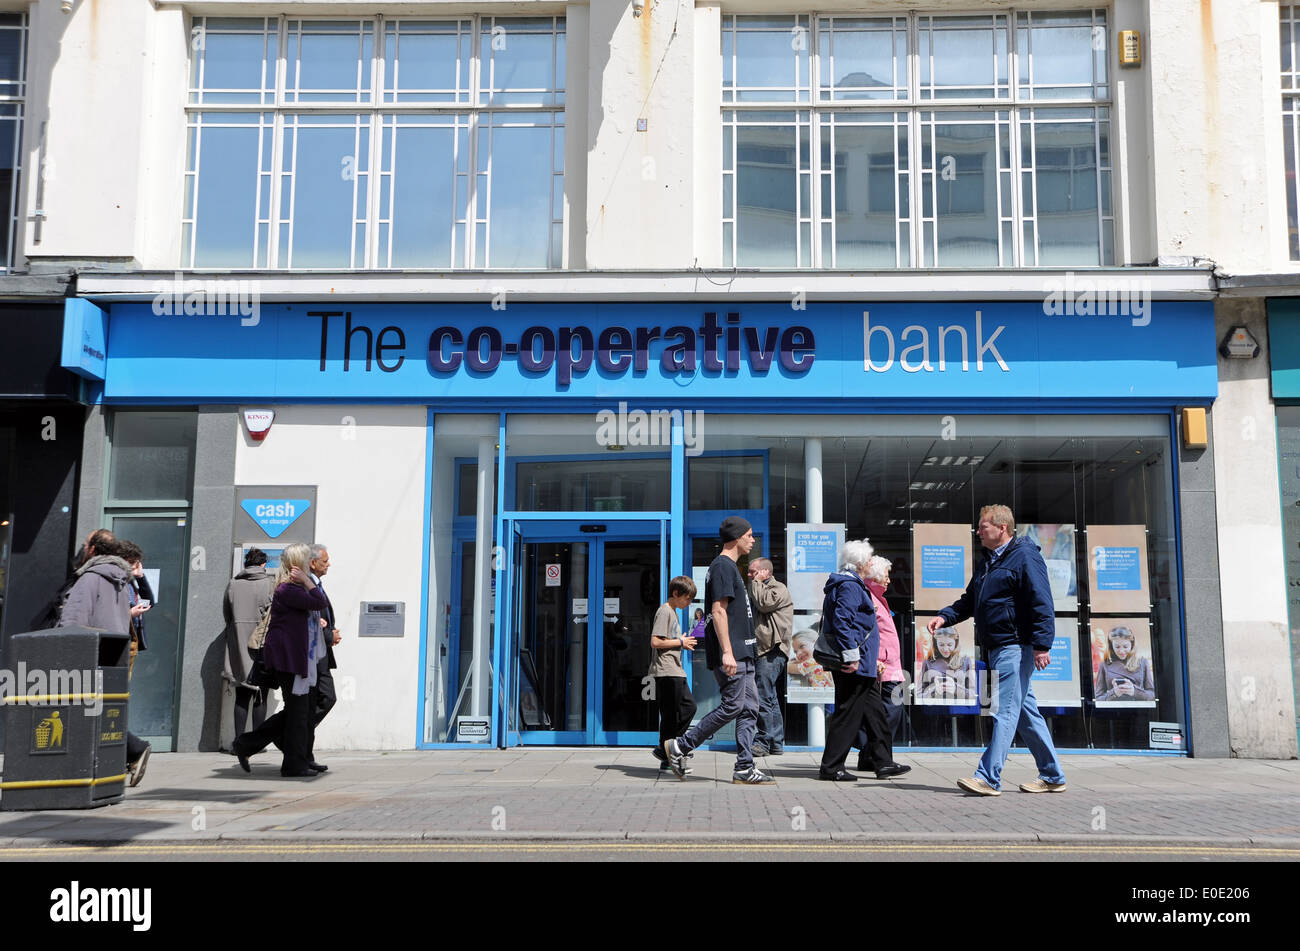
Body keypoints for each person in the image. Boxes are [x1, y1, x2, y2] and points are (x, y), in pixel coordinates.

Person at [930, 504, 1067, 796]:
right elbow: (970, 600)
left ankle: (988, 777)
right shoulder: (989, 561)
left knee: (1002, 711)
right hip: (996, 646)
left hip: (1015, 646)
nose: (978, 532)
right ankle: (1053, 775)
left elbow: (1041, 601)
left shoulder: (1025, 556)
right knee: (1026, 714)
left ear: (1002, 528)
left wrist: (1042, 645)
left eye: (983, 527)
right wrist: (945, 616)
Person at [663, 516, 774, 784]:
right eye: (748, 535)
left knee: (749, 708)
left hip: (744, 651)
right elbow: (718, 611)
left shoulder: (729, 567)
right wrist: (727, 652)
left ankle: (744, 767)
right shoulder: (723, 566)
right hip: (733, 653)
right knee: (734, 705)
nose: (752, 540)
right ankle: (681, 745)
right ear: (736, 537)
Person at [57, 536, 152, 787]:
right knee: (102, 708)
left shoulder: (90, 578)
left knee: (85, 709)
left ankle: (132, 749)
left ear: (92, 550)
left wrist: (62, 650)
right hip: (114, 651)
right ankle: (119, 758)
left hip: (90, 652)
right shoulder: (120, 581)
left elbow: (72, 621)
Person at [232, 543, 328, 778]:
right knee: (297, 714)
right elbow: (319, 601)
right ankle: (292, 764)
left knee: (299, 712)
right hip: (290, 660)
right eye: (307, 561)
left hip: (298, 659)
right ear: (298, 565)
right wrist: (307, 581)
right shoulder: (288, 589)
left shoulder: (294, 589)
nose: (310, 566)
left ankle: (252, 746)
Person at [818, 540, 909, 782]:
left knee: (876, 714)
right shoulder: (850, 586)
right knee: (847, 715)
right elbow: (843, 621)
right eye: (869, 560)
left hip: (863, 662)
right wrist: (851, 656)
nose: (871, 564)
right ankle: (831, 767)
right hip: (855, 663)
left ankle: (883, 762)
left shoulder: (851, 584)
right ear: (859, 563)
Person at [857, 555, 909, 772]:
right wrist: (875, 659)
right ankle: (878, 757)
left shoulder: (877, 598)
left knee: (885, 713)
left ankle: (871, 757)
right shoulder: (869, 597)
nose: (889, 580)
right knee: (888, 712)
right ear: (876, 576)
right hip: (883, 666)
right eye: (886, 576)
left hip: (890, 666)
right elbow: (863, 632)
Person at [223, 548, 277, 738]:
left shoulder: (233, 584)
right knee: (260, 695)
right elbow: (274, 616)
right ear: (263, 564)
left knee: (242, 695)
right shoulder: (269, 584)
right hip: (262, 645)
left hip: (238, 644)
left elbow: (227, 615)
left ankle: (239, 742)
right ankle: (256, 742)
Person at [648, 576, 699, 773]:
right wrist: (680, 642)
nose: (689, 603)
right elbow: (655, 642)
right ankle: (667, 754)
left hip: (675, 669)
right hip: (666, 670)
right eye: (687, 598)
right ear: (676, 594)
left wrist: (681, 641)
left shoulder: (673, 612)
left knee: (688, 708)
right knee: (671, 715)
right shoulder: (665, 611)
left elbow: (667, 640)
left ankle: (666, 750)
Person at [747, 557, 793, 756]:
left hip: (772, 650)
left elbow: (764, 604)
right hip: (764, 650)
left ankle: (763, 742)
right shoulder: (760, 589)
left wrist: (756, 582)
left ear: (765, 571)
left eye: (753, 572)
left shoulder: (778, 589)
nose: (750, 575)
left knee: (763, 696)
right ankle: (775, 742)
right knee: (770, 697)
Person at [308, 544, 341, 760]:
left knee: (324, 699)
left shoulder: (317, 585)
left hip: (321, 653)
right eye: (325, 561)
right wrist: (330, 635)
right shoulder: (307, 585)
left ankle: (297, 739)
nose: (329, 564)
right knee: (321, 699)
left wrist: (331, 633)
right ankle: (292, 736)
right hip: (312, 654)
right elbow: (312, 621)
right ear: (312, 563)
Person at [1093, 625, 1156, 701]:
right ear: (1111, 646)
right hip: (1113, 708)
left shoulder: (1142, 662)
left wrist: (1134, 691)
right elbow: (1098, 698)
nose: (1121, 651)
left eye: (1125, 647)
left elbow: (1152, 695)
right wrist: (1114, 693)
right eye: (1117, 647)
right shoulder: (1104, 664)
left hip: (1137, 708)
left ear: (1132, 644)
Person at [918, 626, 977, 701]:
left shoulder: (965, 660)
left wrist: (955, 689)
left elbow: (973, 694)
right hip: (935, 705)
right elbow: (919, 695)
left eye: (949, 645)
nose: (945, 649)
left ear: (956, 643)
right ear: (935, 644)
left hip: (958, 706)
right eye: (941, 645)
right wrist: (934, 691)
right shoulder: (928, 661)